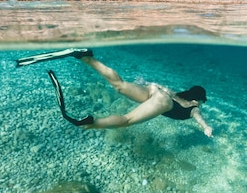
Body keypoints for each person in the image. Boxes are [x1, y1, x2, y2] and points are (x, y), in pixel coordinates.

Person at [18, 48, 213, 137]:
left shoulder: (179, 94)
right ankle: (92, 123)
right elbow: (199, 118)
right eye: (202, 101)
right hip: (163, 102)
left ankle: (86, 57)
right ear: (198, 99)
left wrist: (145, 84)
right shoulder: (194, 107)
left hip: (157, 91)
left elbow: (162, 88)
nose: (201, 104)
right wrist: (206, 128)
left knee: (118, 85)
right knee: (126, 120)